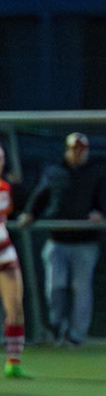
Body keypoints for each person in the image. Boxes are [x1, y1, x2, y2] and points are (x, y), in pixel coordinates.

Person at [17, 132, 106, 346]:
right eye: (74, 149)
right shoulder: (54, 171)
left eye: (81, 150)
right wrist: (30, 213)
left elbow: (103, 201)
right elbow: (40, 196)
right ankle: (58, 325)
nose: (77, 154)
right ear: (67, 150)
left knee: (81, 288)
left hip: (85, 242)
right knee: (55, 287)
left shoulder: (95, 173)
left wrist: (100, 213)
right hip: (58, 241)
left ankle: (77, 335)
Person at [0, 145, 25, 377]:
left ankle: (13, 362)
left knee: (15, 307)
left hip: (4, 252)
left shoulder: (5, 187)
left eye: (1, 158)